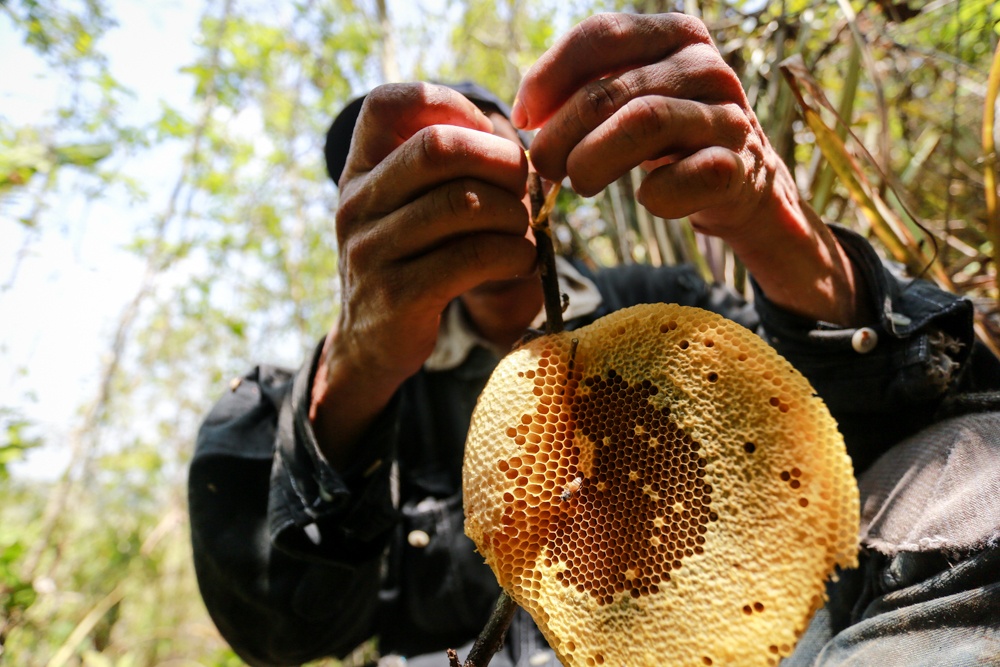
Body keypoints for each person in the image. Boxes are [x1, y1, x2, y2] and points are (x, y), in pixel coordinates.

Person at [188, 12, 1000, 667]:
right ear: (366, 229)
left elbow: (893, 427)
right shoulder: (357, 398)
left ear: (538, 166)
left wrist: (779, 230)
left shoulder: (659, 308)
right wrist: (357, 370)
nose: (462, 189)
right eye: (415, 184)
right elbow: (278, 632)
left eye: (487, 146)